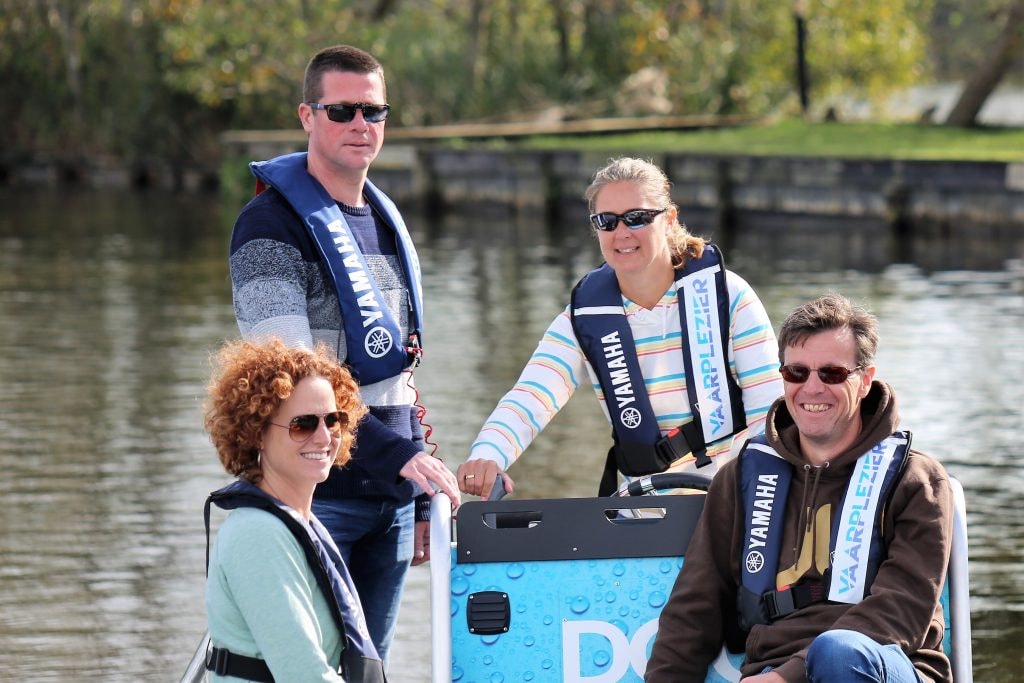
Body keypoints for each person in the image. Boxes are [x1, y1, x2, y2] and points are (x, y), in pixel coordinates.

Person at [228, 44, 460, 662]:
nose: (361, 124)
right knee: (302, 669)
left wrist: (416, 492)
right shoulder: (268, 226)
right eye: (342, 111)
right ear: (308, 116)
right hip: (314, 495)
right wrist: (404, 459)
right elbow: (289, 375)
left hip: (389, 501)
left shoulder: (383, 221)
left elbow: (397, 374)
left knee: (368, 670)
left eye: (373, 111)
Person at [645, 293, 954, 682]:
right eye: (797, 372)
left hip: (886, 664)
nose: (812, 388)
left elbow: (901, 611)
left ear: (864, 381)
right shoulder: (739, 478)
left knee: (837, 653)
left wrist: (786, 677)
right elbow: (693, 611)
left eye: (832, 373)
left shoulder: (917, 479)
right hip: (770, 668)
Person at [458, 157, 782, 498]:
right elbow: (531, 397)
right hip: (645, 509)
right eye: (607, 221)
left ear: (669, 219)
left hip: (732, 500)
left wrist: (753, 501)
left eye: (638, 217)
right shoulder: (583, 318)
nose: (622, 233)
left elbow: (769, 409)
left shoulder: (727, 296)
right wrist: (488, 455)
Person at [202, 339, 384, 682]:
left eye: (333, 420)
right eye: (303, 424)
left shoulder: (298, 522)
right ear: (256, 434)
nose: (324, 437)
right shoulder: (258, 535)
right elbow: (304, 674)